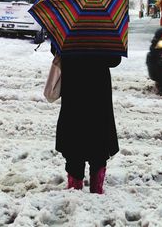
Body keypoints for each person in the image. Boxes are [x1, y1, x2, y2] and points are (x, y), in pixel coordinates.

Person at [51, 43, 121, 194]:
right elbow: (115, 60)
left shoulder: (69, 25)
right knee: (99, 137)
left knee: (74, 138)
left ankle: (74, 188)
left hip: (73, 85)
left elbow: (55, 50)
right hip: (98, 88)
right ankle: (97, 188)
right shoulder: (105, 28)